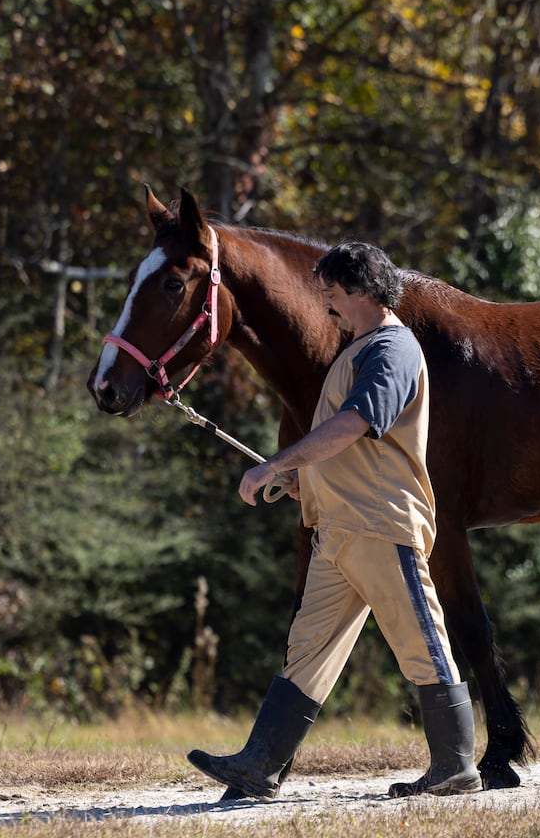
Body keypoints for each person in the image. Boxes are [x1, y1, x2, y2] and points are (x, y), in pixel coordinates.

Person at [187, 241, 480, 800]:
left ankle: (455, 766)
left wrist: (278, 463)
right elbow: (353, 448)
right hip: (338, 531)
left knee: (421, 643)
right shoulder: (359, 349)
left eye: (332, 293)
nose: (326, 304)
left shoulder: (392, 348)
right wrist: (307, 479)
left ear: (362, 290)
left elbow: (356, 424)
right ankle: (259, 766)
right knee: (307, 653)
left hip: (380, 525)